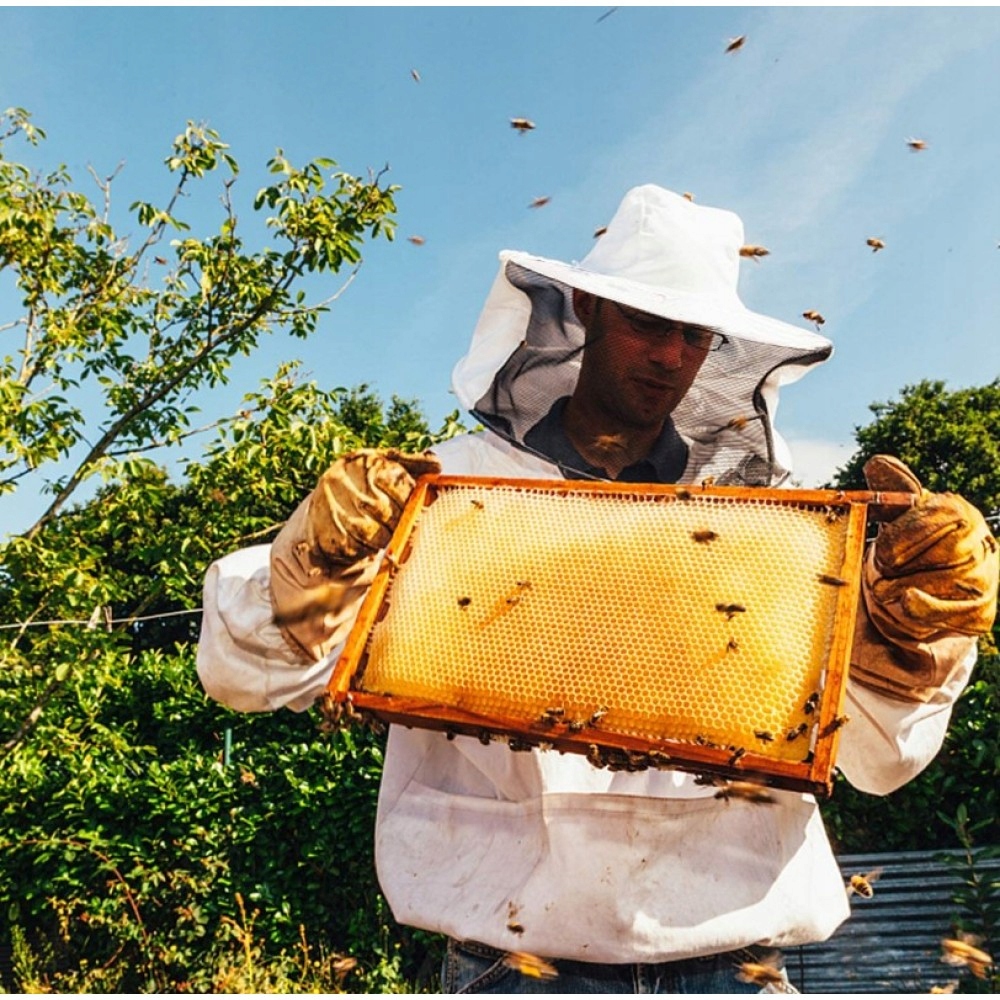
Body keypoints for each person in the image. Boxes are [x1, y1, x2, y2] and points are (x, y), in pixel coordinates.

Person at [197, 185, 998, 993]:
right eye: (650, 324)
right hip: (515, 960)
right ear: (586, 308)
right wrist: (313, 564)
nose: (671, 357)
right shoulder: (453, 488)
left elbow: (882, 758)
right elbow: (247, 675)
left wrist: (914, 636)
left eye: (694, 335)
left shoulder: (774, 532)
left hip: (734, 963)